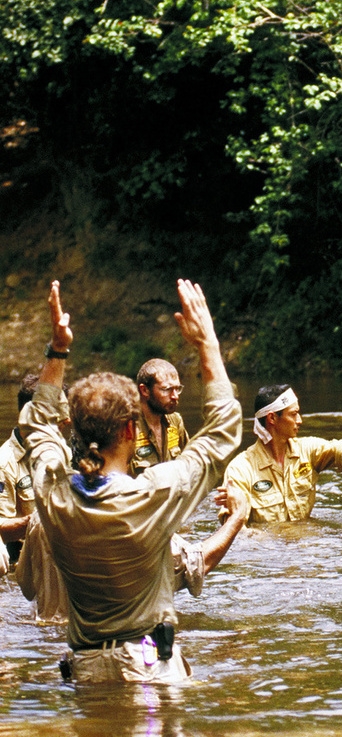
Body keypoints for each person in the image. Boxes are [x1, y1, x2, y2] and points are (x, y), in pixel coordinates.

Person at [20, 279, 242, 684]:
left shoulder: (54, 494)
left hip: (85, 670)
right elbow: (224, 431)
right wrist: (207, 342)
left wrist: (58, 351)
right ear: (128, 432)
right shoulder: (155, 493)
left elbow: (35, 426)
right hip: (148, 669)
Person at [16, 483, 250, 623]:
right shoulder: (129, 514)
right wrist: (237, 516)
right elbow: (195, 564)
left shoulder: (43, 512)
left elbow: (25, 584)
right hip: (113, 658)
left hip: (57, 658)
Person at [221, 384, 342, 525]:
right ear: (272, 418)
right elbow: (236, 531)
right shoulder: (241, 469)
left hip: (306, 546)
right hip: (270, 554)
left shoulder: (307, 450)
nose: (300, 421)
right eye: (294, 414)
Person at [1, 373, 41, 570]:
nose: (65, 421)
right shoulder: (5, 462)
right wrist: (38, 522)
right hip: (22, 564)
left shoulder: (60, 454)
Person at [131, 358, 189, 475]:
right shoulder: (128, 427)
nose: (175, 396)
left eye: (177, 389)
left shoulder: (175, 421)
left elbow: (189, 465)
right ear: (145, 390)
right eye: (167, 389)